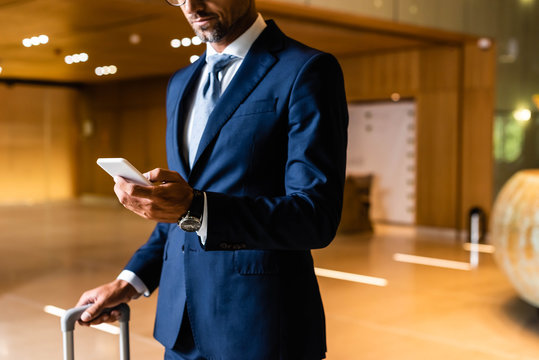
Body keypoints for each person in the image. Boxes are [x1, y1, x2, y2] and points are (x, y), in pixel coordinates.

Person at [75, 0, 348, 358]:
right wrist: (130, 281)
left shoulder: (306, 69)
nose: (192, 4)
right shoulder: (181, 82)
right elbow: (179, 214)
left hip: (261, 330)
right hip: (181, 331)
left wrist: (198, 208)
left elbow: (314, 216)